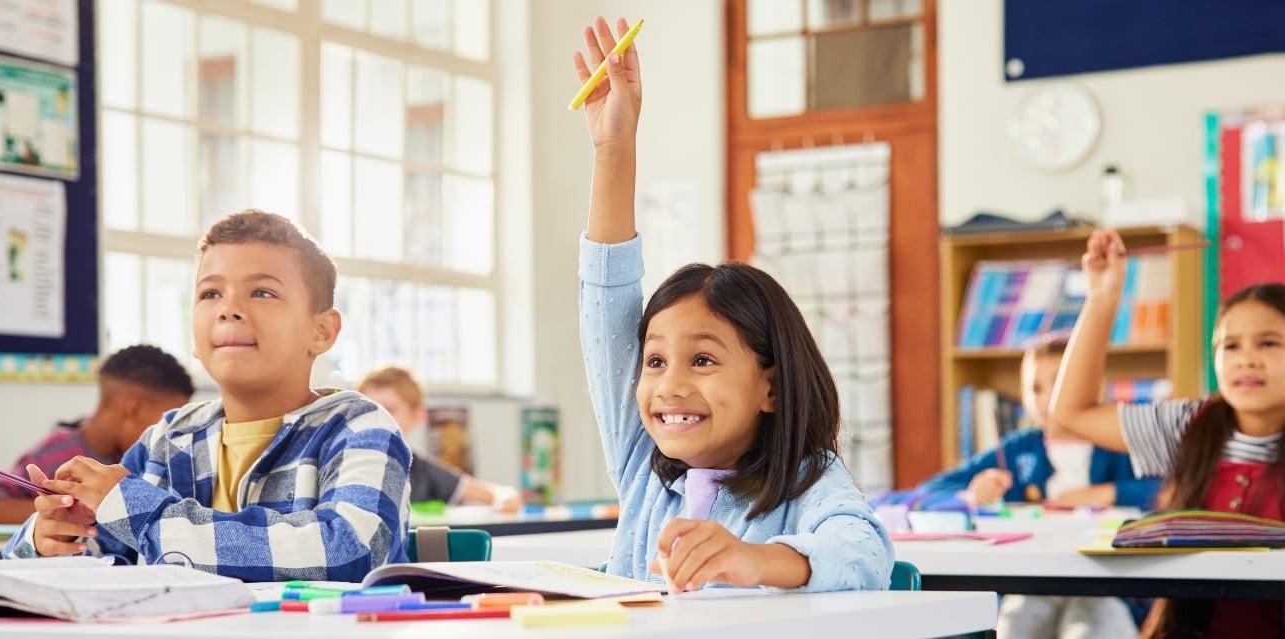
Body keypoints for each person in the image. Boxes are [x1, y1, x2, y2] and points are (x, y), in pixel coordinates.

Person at [574, 16, 891, 593]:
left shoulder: (809, 482)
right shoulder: (643, 467)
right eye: (655, 361)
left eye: (702, 360)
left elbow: (863, 554)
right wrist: (613, 147)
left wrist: (756, 560)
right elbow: (606, 305)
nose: (669, 385)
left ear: (770, 386)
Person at [3, 210, 413, 582]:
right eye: (210, 294)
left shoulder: (360, 427)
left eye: (263, 292)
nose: (228, 309)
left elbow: (351, 553)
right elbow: (100, 559)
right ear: (195, 338)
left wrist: (140, 509)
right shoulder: (167, 438)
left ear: (321, 331)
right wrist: (52, 539)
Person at [1050, 228, 1285, 639]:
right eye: (1230, 347)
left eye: (1268, 344)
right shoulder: (1187, 424)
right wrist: (1102, 296)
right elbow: (1071, 412)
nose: (1246, 360)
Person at [912, 336, 1159, 639]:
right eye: (1034, 388)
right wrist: (973, 493)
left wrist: (1104, 493)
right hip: (1033, 583)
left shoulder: (1123, 443)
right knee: (1016, 622)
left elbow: (1172, 490)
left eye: (1060, 382)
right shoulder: (1015, 451)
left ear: (1096, 385)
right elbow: (931, 489)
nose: (1045, 398)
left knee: (1093, 626)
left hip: (1106, 585)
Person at [0, 345, 195, 525]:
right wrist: (72, 508)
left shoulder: (135, 459)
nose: (171, 434)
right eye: (168, 420)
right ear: (133, 409)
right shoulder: (63, 451)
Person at [359, 366, 524, 513]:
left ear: (417, 416)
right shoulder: (342, 463)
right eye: (368, 410)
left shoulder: (419, 469)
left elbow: (497, 493)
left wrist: (505, 497)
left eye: (389, 410)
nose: (376, 418)